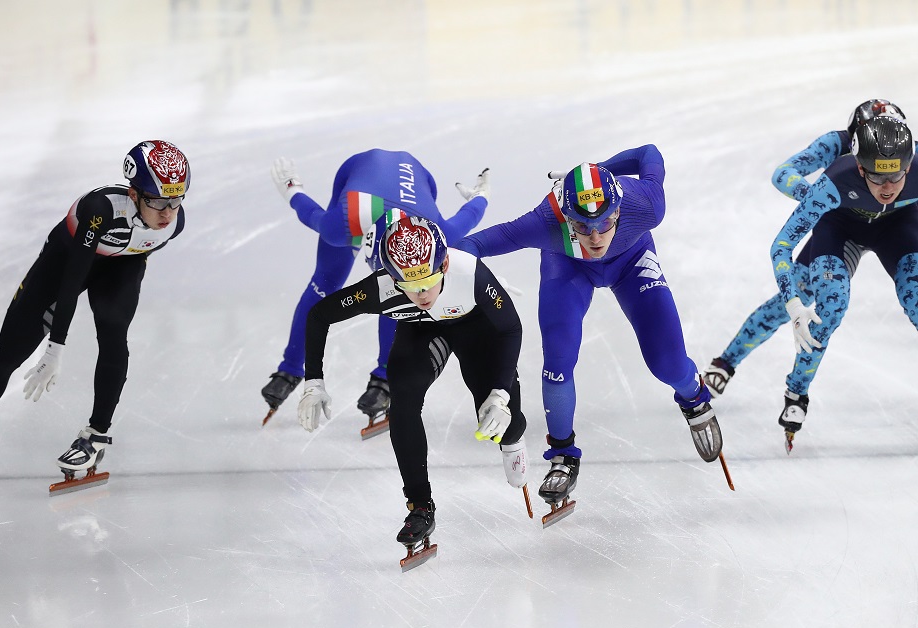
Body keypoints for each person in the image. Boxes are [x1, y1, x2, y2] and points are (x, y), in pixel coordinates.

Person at [455, 144, 724, 513]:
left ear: (618, 211)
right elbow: (474, 244)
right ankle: (563, 454)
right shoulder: (545, 220)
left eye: (605, 223)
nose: (595, 237)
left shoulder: (645, 204)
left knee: (668, 364)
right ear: (566, 218)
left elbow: (649, 152)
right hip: (568, 267)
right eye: (582, 226)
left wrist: (601, 167)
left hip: (631, 260)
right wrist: (455, 269)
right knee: (558, 359)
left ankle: (693, 396)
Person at [0, 140, 190, 484]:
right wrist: (55, 347)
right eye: (158, 201)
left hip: (121, 266)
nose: (168, 213)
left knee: (113, 330)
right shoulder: (101, 209)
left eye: (176, 200)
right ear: (134, 192)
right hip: (67, 261)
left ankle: (96, 435)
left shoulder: (173, 223)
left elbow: (138, 252)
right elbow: (73, 279)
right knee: (11, 349)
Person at [296, 216, 526, 566]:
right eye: (408, 283)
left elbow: (511, 328)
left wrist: (501, 394)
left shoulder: (470, 274)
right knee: (402, 402)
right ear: (390, 274)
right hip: (419, 335)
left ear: (444, 264)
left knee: (502, 421)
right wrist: (313, 381)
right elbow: (319, 315)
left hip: (476, 328)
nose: (421, 294)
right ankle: (420, 506)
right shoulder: (380, 288)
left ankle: (513, 439)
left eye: (430, 281)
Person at [262, 149, 490, 428]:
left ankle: (384, 376)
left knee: (401, 293)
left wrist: (480, 194)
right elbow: (312, 214)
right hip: (356, 174)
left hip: (418, 180)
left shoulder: (435, 232)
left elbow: (471, 215)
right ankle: (290, 369)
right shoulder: (341, 225)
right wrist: (291, 187)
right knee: (325, 283)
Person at [703, 100, 907, 399]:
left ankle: (728, 363)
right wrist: (817, 200)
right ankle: (726, 362)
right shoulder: (835, 144)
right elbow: (784, 173)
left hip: (894, 226)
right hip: (839, 228)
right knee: (792, 297)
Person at [763, 115, 918, 441]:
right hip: (841, 230)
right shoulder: (833, 183)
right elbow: (781, 246)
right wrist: (792, 302)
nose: (887, 188)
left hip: (898, 230)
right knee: (831, 305)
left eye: (896, 176)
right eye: (876, 177)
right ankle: (796, 393)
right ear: (860, 168)